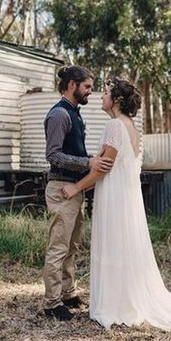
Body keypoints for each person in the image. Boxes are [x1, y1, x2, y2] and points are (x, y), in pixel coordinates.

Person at [62, 77, 171, 331]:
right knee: (123, 245)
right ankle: (125, 298)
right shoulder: (131, 127)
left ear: (117, 100)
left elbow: (103, 168)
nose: (101, 96)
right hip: (127, 198)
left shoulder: (114, 126)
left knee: (114, 245)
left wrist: (75, 187)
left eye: (106, 92)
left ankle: (117, 305)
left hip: (115, 197)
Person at [43, 65, 114, 321]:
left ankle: (68, 292)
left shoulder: (75, 113)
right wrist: (87, 163)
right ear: (72, 85)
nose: (90, 92)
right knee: (58, 247)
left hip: (74, 190)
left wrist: (89, 164)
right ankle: (51, 303)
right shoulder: (60, 114)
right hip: (60, 189)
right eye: (87, 87)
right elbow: (53, 155)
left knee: (71, 246)